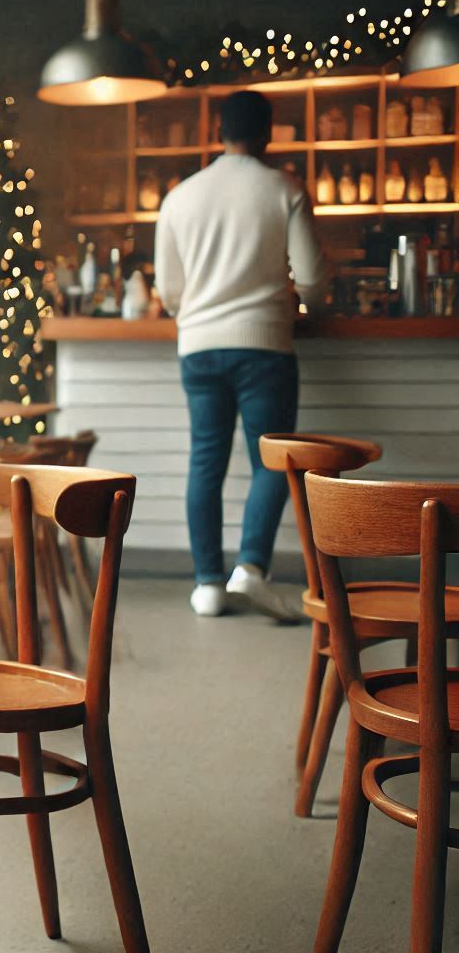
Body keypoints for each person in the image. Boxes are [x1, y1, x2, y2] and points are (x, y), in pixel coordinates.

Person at [155, 89, 326, 619]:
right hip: (265, 345)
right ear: (267, 133)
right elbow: (314, 279)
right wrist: (306, 308)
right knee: (272, 459)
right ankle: (250, 569)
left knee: (205, 460)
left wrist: (198, 312)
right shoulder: (285, 189)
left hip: (199, 345)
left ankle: (207, 584)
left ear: (220, 131)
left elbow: (168, 291)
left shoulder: (180, 196)